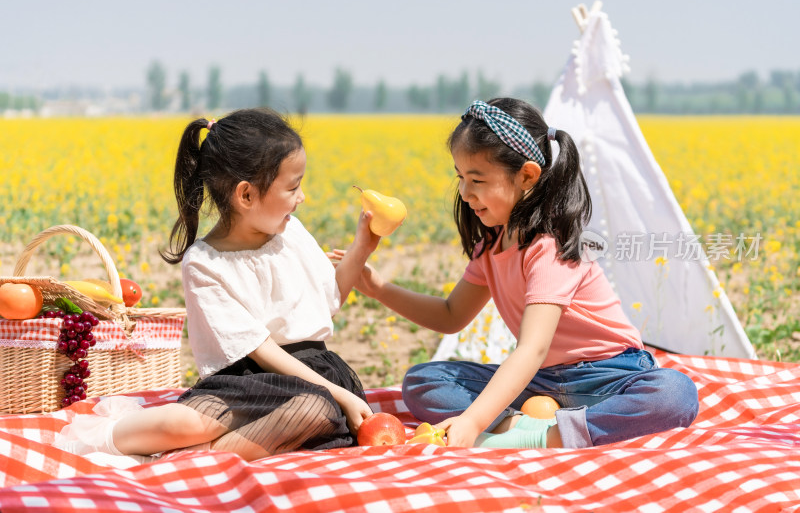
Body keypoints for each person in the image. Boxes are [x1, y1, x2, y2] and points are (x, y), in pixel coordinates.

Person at [336, 98, 699, 449]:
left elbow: (532, 348)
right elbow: (450, 315)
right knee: (423, 381)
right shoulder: (491, 245)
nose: (464, 193)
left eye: (477, 180)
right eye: (460, 177)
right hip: (539, 383)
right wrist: (377, 286)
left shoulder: (551, 245)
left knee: (674, 393)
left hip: (606, 376)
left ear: (526, 175)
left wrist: (474, 421)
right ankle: (537, 427)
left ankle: (538, 437)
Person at [55, 108, 380, 462]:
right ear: (246, 196)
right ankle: (108, 435)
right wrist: (340, 394)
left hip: (314, 375)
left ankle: (188, 460)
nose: (302, 197)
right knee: (186, 424)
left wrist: (363, 245)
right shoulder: (205, 264)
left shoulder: (292, 233)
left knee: (313, 410)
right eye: (293, 186)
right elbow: (261, 349)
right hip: (246, 380)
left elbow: (329, 297)